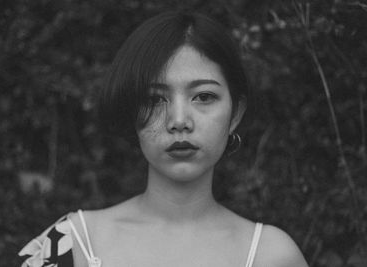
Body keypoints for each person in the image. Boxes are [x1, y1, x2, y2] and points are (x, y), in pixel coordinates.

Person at [18, 11, 308, 267]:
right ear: (132, 111)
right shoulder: (71, 245)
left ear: (235, 114)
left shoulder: (271, 255)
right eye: (155, 99)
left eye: (204, 96)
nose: (179, 121)